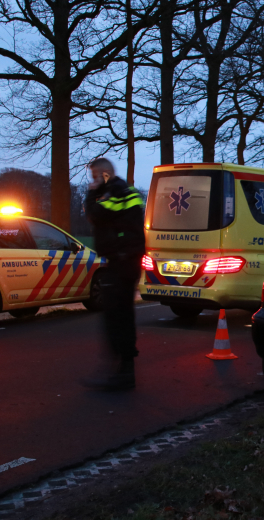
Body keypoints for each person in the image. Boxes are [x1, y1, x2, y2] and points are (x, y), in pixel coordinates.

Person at [81, 157, 145, 390]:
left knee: (116, 316)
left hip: (122, 261)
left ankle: (121, 371)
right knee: (121, 315)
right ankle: (122, 369)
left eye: (95, 175)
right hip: (125, 260)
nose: (93, 180)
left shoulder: (116, 192)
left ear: (105, 173)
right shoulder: (125, 191)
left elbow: (95, 214)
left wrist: (93, 192)